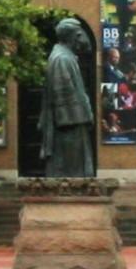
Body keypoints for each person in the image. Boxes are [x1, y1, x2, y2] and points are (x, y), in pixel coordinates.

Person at [37, 18, 96, 177]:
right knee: (71, 169)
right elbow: (64, 97)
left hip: (74, 123)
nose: (82, 38)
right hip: (70, 125)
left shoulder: (67, 57)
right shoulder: (61, 59)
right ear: (73, 37)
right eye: (79, 34)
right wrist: (81, 118)